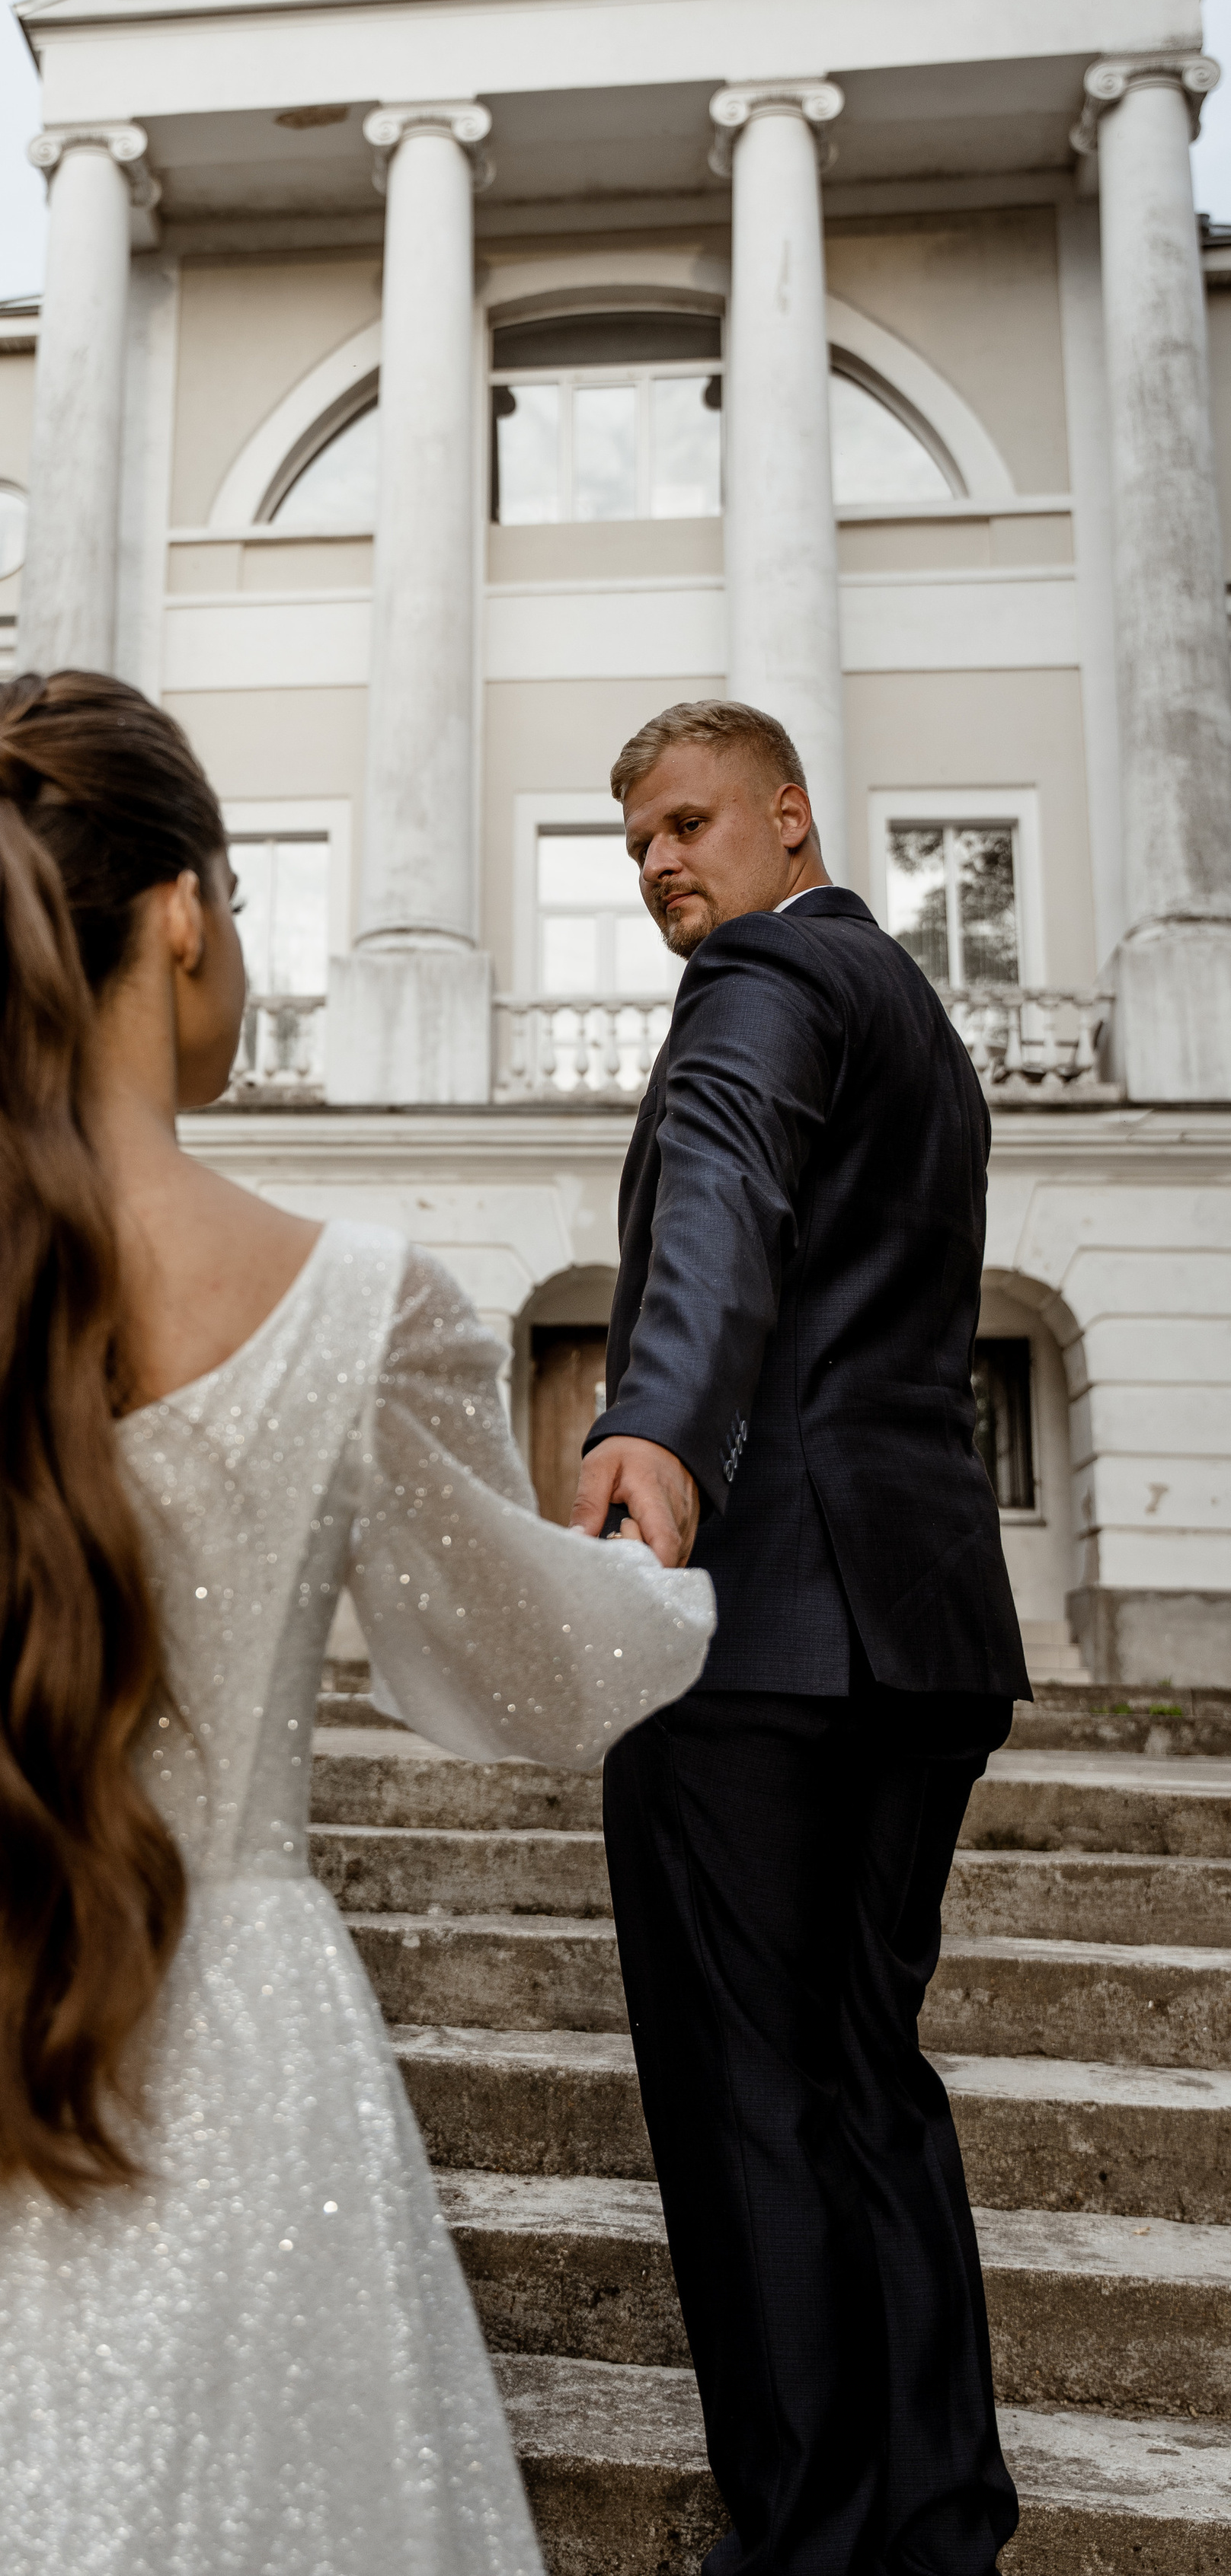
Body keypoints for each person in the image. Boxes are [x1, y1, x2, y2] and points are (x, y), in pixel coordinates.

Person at [0, 670, 712, 2576]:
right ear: (179, 913)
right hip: (236, 2087)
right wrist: (659, 1565)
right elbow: (541, 1672)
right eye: (236, 908)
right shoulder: (364, 1304)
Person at [572, 697, 1028, 2576]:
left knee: (747, 2092)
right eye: (636, 850)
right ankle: (932, 2525)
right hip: (923, 1637)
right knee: (863, 2082)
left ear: (786, 819)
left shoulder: (761, 981)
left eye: (687, 823)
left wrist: (652, 1423)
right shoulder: (921, 1020)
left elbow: (722, 1193)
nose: (665, 864)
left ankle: (805, 2543)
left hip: (757, 1639)